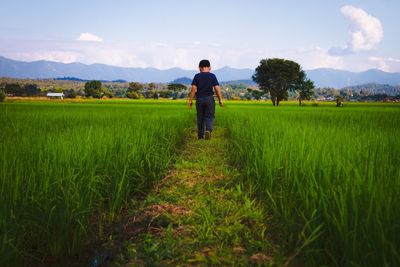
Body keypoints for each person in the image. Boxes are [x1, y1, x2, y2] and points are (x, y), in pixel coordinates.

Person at [188, 59, 223, 140]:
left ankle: (200, 137)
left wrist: (190, 100)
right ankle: (208, 130)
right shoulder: (212, 76)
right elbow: (217, 88)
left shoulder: (197, 76)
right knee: (210, 116)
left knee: (200, 117)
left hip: (199, 99)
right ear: (210, 68)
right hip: (209, 99)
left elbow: (193, 88)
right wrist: (220, 99)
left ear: (199, 68)